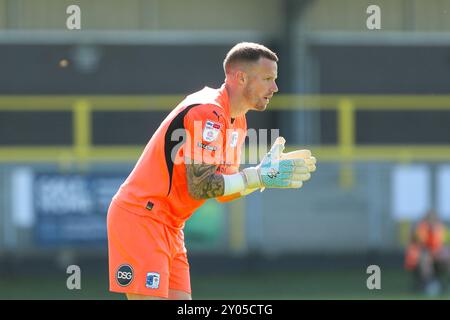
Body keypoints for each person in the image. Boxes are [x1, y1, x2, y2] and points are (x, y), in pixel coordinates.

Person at [107, 42, 317, 300]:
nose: (275, 88)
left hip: (171, 226)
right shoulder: (208, 112)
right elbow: (201, 186)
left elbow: (223, 191)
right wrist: (256, 176)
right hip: (143, 217)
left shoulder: (236, 119)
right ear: (241, 78)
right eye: (267, 79)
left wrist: (262, 176)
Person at [404, 209, 450, 294]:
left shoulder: (441, 228)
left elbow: (444, 244)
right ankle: (429, 284)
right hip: (424, 257)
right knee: (425, 259)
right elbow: (420, 244)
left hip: (438, 257)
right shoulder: (421, 228)